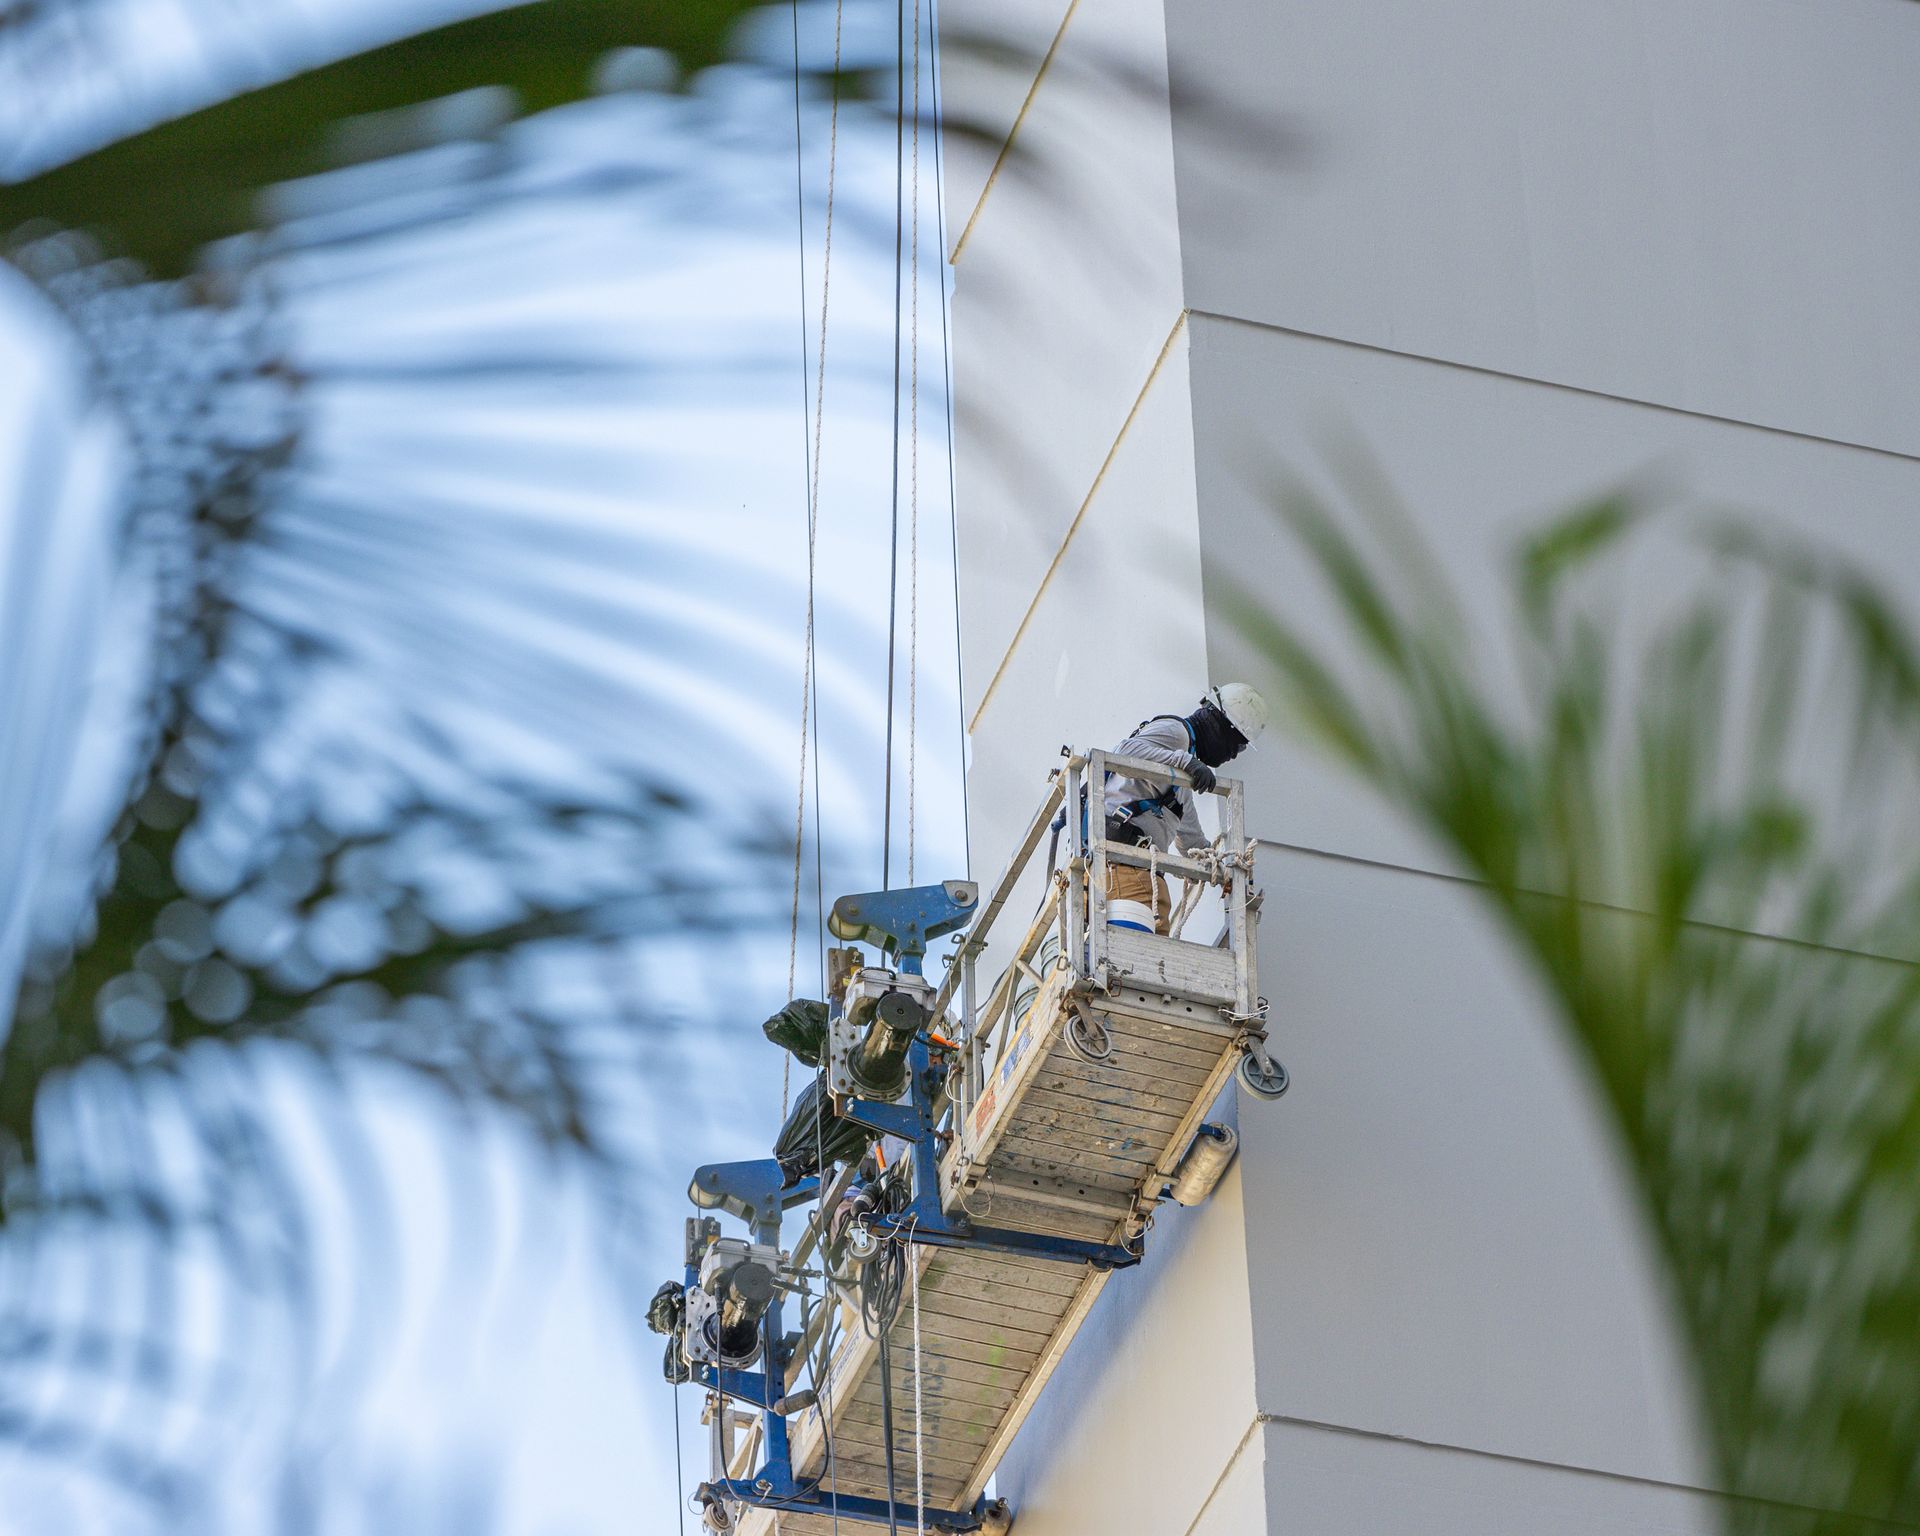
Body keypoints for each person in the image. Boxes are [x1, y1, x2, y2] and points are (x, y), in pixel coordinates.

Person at [1101, 683, 1268, 933]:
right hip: (1124, 866)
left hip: (1139, 872)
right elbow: (1124, 751)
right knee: (1135, 957)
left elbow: (1191, 844)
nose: (1233, 755)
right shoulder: (1176, 732)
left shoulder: (1180, 788)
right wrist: (1185, 761)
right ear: (1221, 727)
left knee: (1149, 959)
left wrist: (1228, 870)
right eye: (1238, 744)